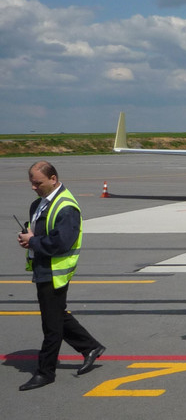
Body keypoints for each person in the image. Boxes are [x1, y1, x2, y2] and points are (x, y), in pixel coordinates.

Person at [16, 161, 105, 391]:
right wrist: (28, 235)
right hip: (44, 268)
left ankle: (45, 373)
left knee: (51, 325)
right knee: (56, 315)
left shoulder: (66, 207)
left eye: (38, 183)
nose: (34, 187)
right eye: (32, 183)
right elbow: (44, 230)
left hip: (55, 272)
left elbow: (62, 243)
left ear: (53, 179)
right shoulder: (40, 204)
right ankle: (90, 347)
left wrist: (33, 241)